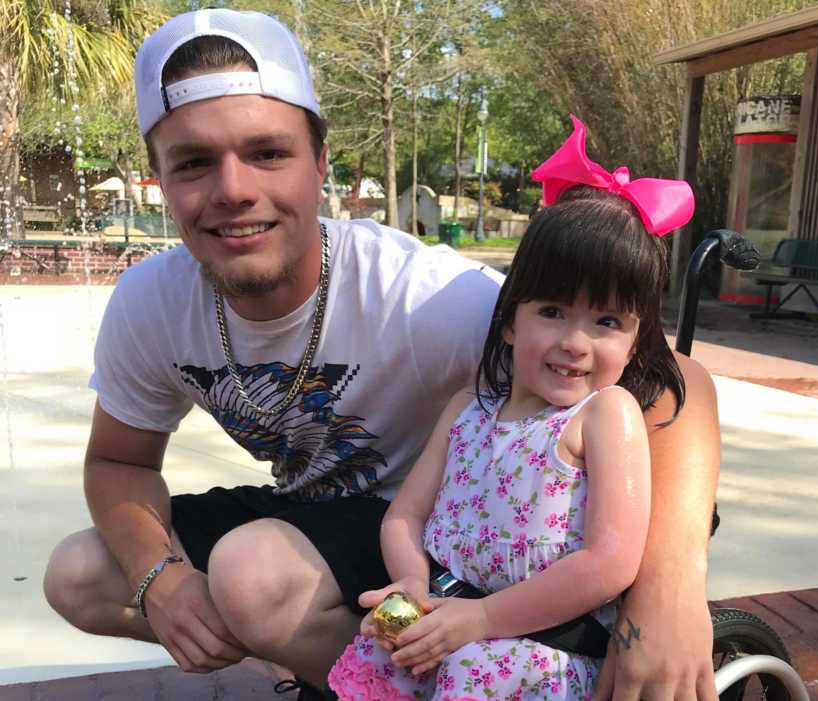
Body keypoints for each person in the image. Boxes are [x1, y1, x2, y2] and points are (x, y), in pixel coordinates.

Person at [41, 10, 720, 701]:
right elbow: (118, 462)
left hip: (439, 543)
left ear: (320, 163)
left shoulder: (422, 298)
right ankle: (350, 668)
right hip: (356, 545)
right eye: (193, 162)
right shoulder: (150, 300)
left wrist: (667, 588)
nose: (234, 189)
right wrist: (164, 579)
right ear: (157, 177)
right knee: (82, 572)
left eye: (268, 152)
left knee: (252, 576)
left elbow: (675, 381)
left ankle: (388, 673)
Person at [325, 115, 700, 701]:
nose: (575, 342)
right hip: (442, 603)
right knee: (381, 638)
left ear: (633, 341)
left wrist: (479, 620)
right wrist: (410, 583)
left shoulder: (605, 415)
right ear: (509, 321)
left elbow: (609, 563)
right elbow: (404, 516)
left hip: (537, 641)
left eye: (606, 322)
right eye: (552, 312)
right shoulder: (466, 409)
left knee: (477, 674)